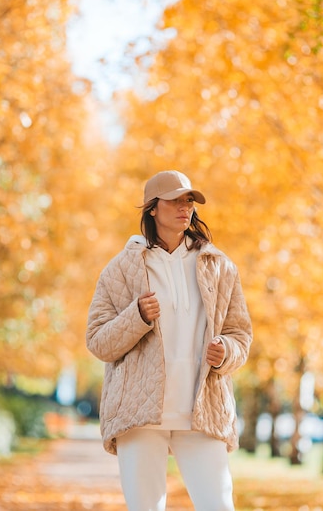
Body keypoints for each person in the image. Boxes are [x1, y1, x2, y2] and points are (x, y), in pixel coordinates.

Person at [86, 170, 252, 511]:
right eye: (175, 200)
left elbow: (241, 335)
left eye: (189, 200)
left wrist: (225, 353)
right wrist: (138, 317)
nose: (184, 207)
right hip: (139, 415)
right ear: (152, 208)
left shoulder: (219, 267)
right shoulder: (122, 269)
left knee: (219, 505)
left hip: (202, 412)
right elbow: (98, 341)